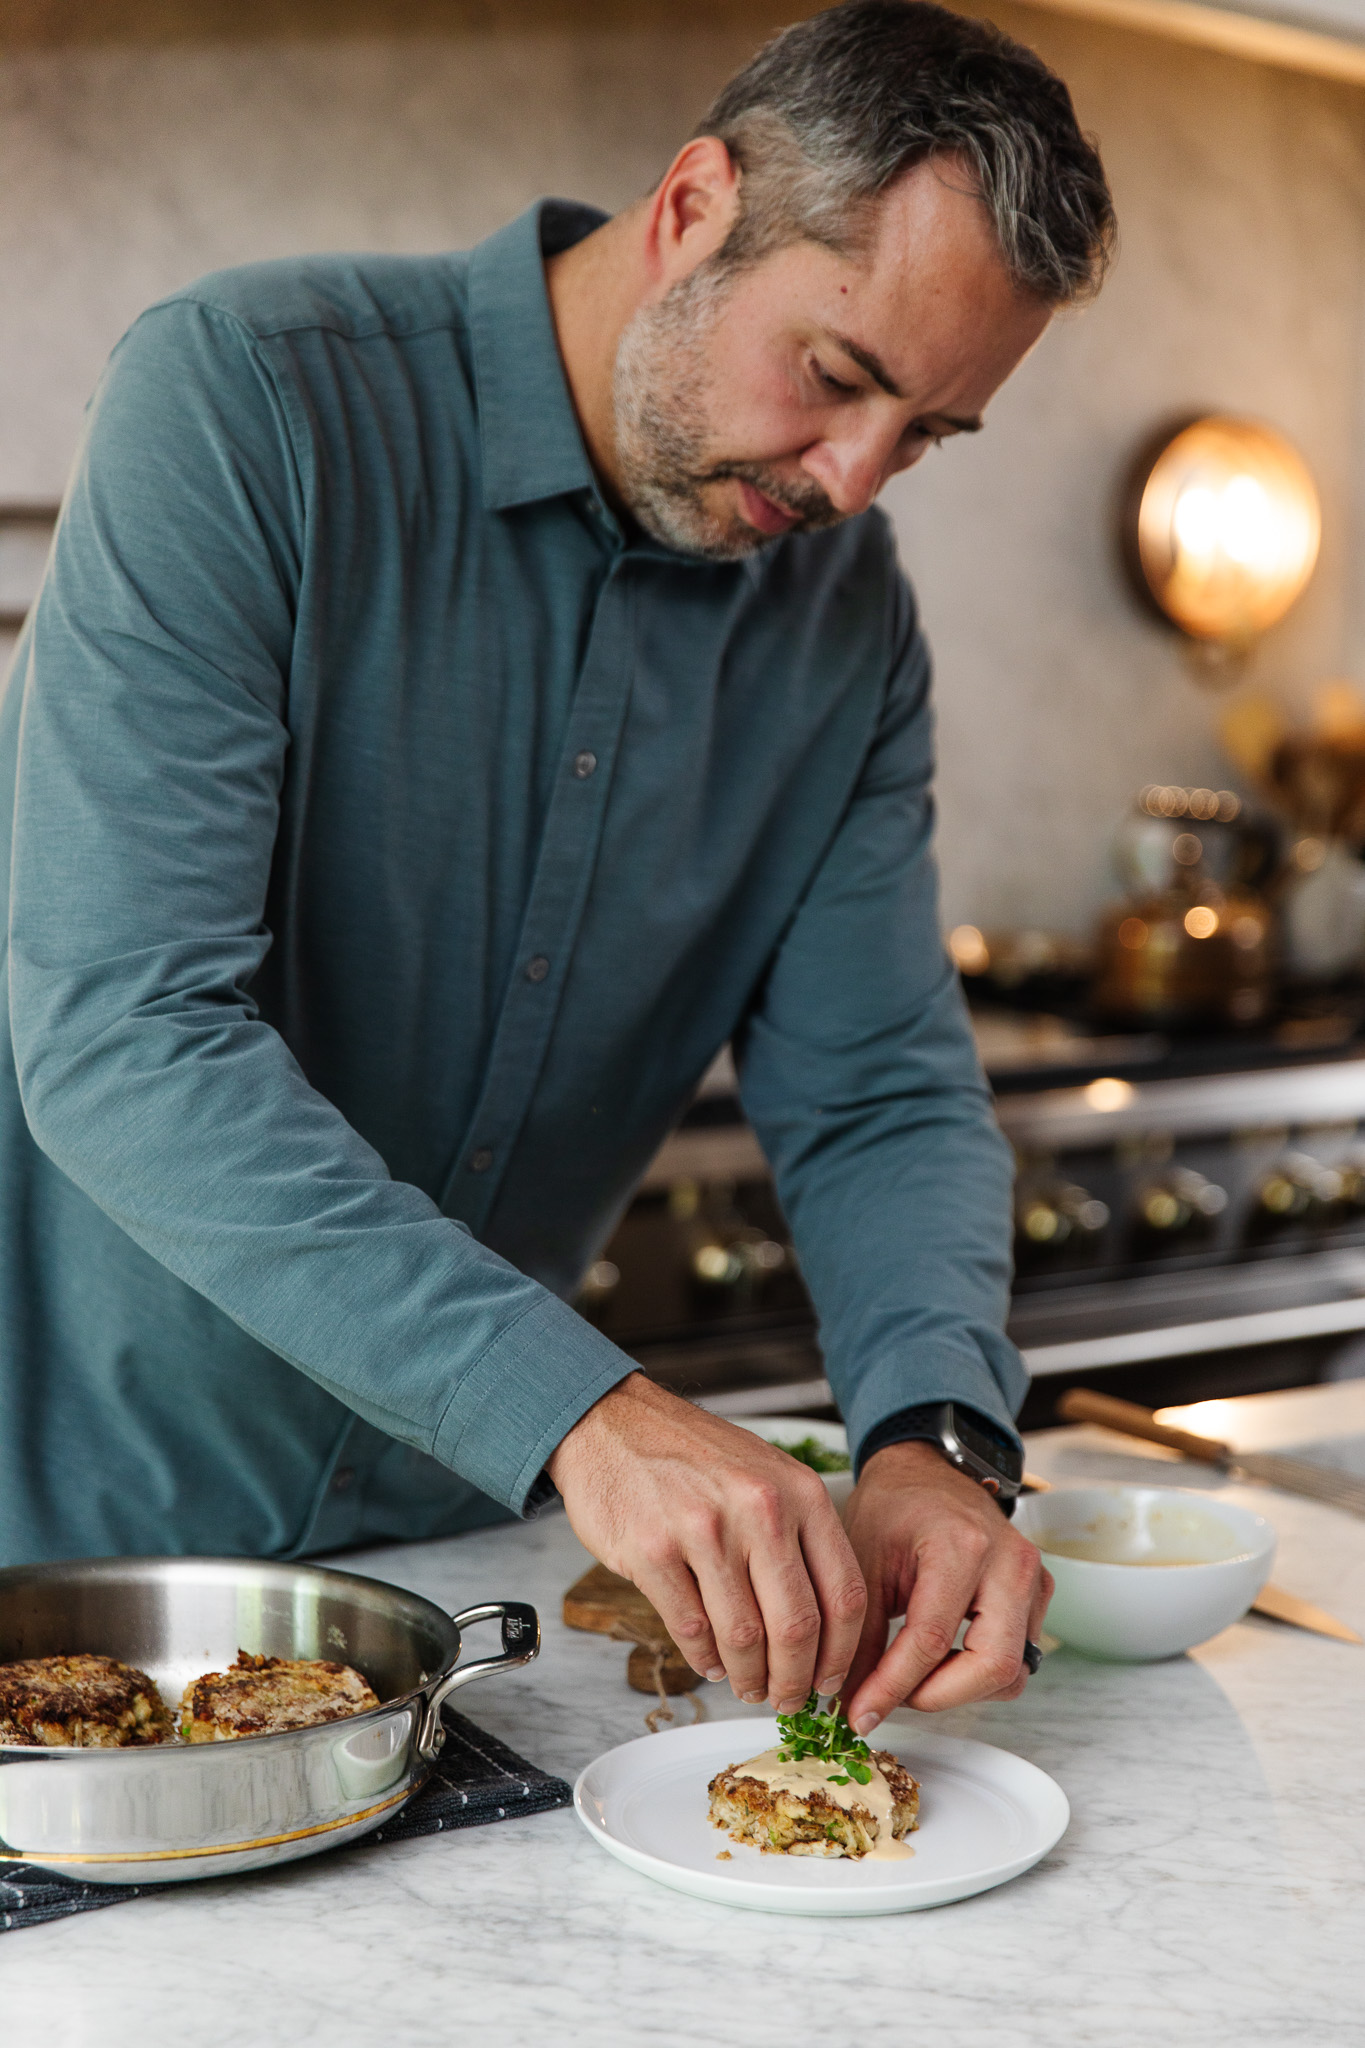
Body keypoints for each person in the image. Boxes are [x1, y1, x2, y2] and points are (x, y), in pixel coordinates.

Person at [0, 0, 1114, 1736]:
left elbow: (881, 1094)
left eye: (926, 437)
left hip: (443, 1584)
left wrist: (933, 1444)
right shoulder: (247, 402)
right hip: (56, 1554)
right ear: (689, 207)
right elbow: (126, 1032)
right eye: (836, 378)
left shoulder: (844, 625)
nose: (853, 480)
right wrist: (589, 1411)